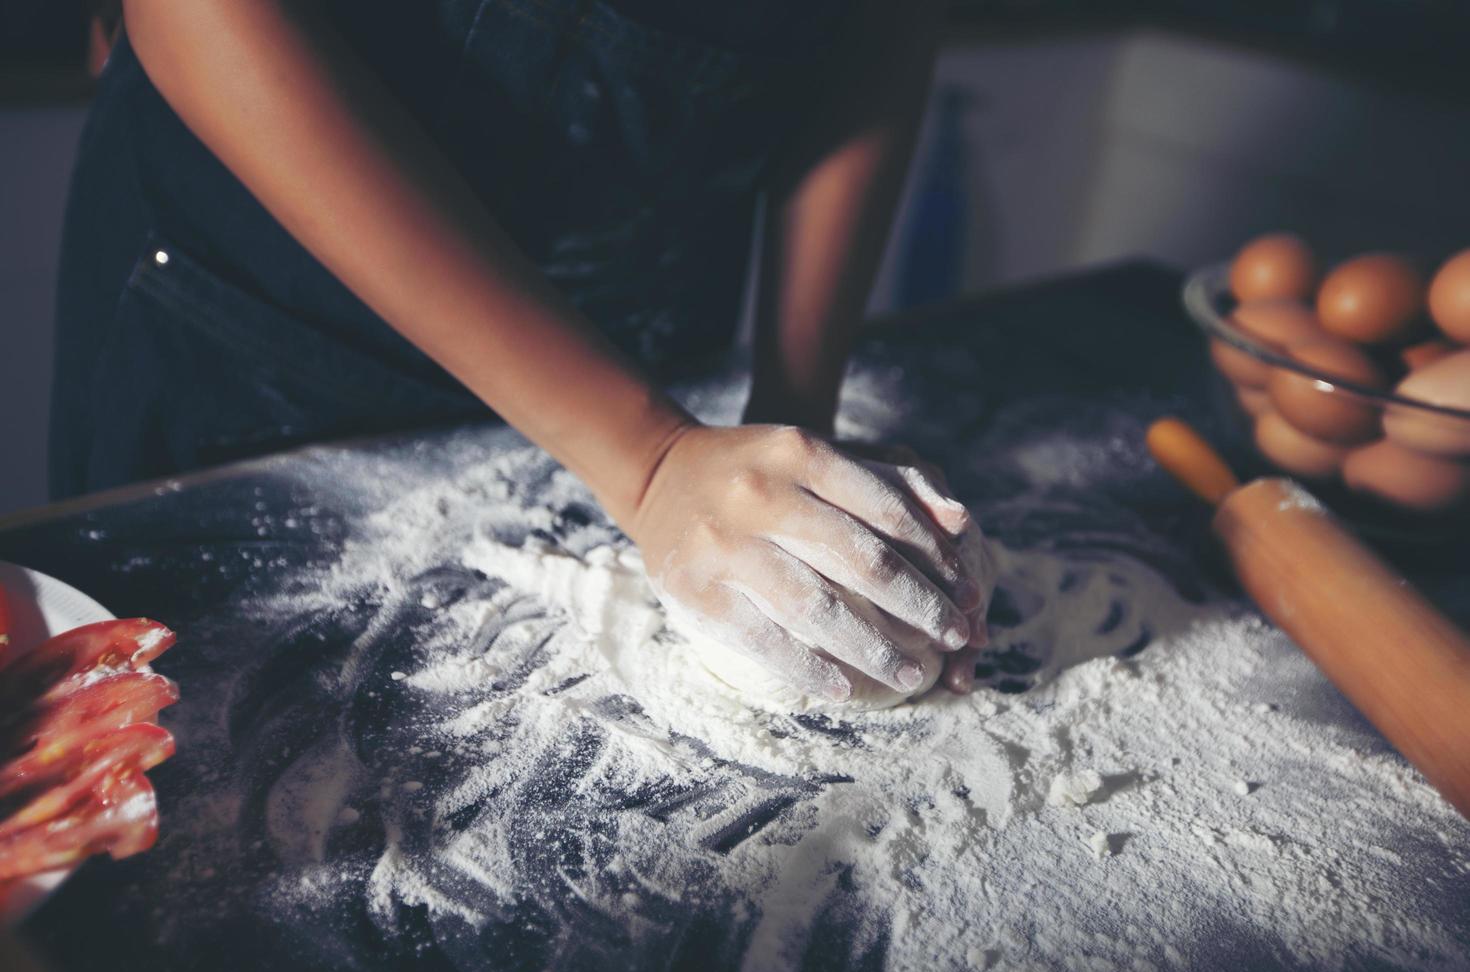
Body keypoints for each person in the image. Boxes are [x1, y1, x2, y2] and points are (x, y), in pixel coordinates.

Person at [51, 0, 989, 702]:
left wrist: (797, 418)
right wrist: (650, 459)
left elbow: (876, 26)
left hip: (639, 291)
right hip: (261, 303)